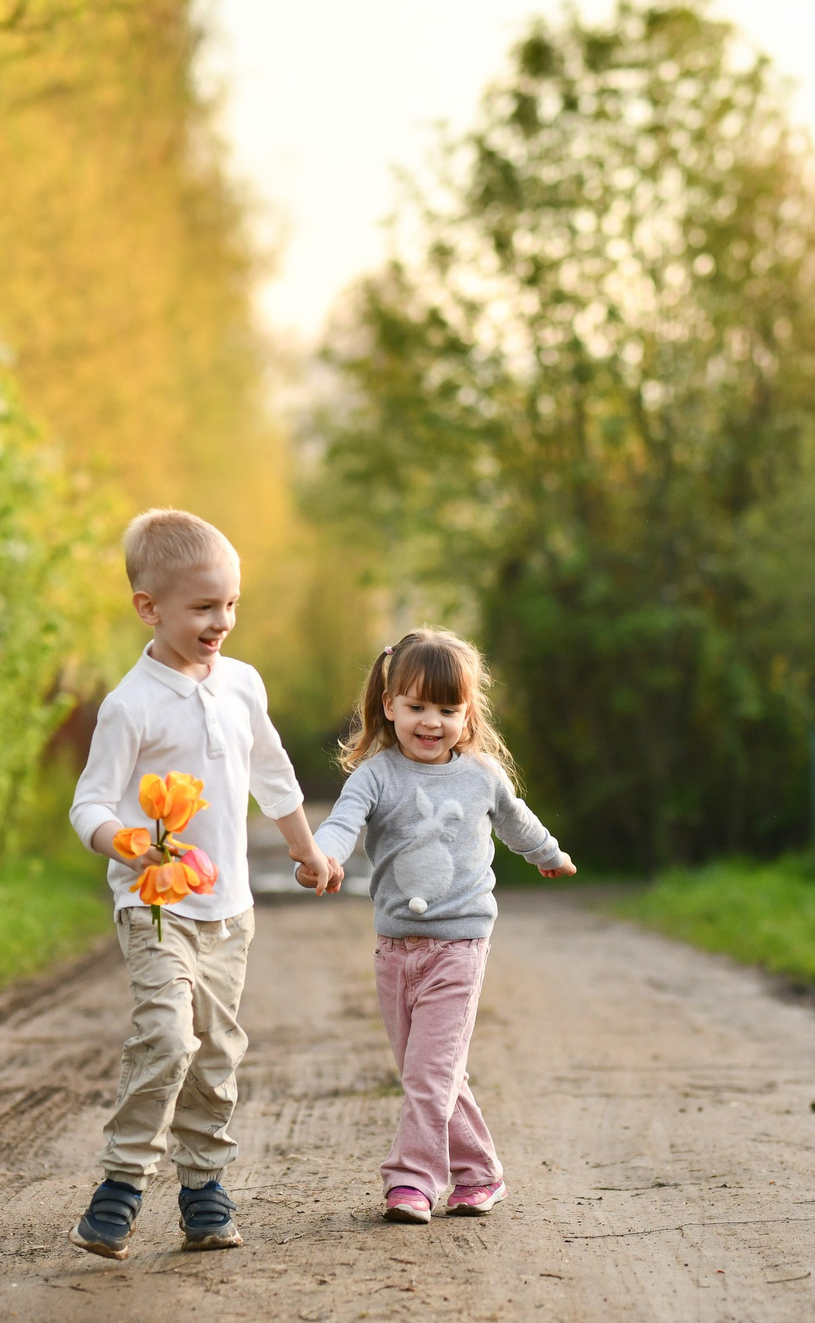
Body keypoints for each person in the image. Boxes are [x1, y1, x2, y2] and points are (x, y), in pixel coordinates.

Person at [67, 510, 343, 1260]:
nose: (221, 621)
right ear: (148, 608)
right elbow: (89, 800)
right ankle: (122, 1183)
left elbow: (272, 774)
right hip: (154, 905)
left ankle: (203, 1188)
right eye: (202, 607)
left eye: (230, 605)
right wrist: (120, 842)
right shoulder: (132, 703)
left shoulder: (242, 685)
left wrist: (306, 849)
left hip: (230, 912)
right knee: (166, 1035)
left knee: (217, 1048)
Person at [302, 629, 575, 1224]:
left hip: (460, 945)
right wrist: (324, 858)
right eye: (417, 707)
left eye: (448, 710)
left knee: (429, 1075)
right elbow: (342, 822)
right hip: (394, 950)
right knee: (431, 1074)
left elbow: (517, 821)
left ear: (467, 712)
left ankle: (412, 1182)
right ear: (389, 705)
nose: (432, 722)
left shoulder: (479, 775)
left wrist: (549, 854)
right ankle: (481, 1174)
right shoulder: (375, 776)